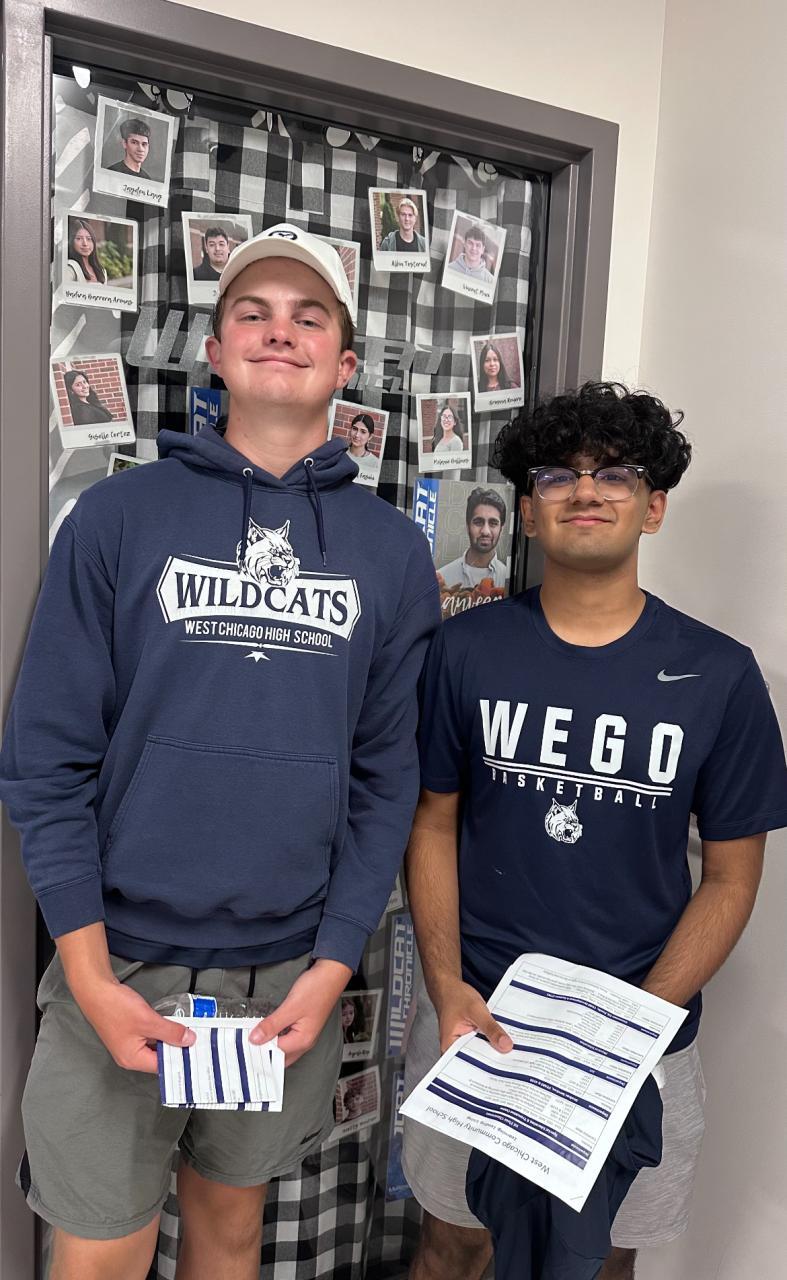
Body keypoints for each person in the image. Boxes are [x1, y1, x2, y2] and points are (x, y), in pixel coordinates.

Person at [0, 222, 440, 1280]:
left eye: (308, 316)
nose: (279, 331)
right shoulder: (115, 517)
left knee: (231, 1228)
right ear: (214, 351)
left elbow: (386, 779)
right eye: (252, 312)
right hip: (119, 959)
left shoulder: (390, 551)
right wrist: (88, 971)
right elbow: (46, 759)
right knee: (98, 1249)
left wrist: (332, 966)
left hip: (286, 973)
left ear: (344, 362)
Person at [402, 382, 787, 1280]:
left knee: (603, 1261)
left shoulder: (719, 676)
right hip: (477, 1019)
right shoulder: (463, 652)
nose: (585, 490)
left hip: (641, 1035)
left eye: (614, 473)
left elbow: (730, 878)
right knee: (452, 1243)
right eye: (558, 475)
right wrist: (446, 984)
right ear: (528, 511)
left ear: (652, 507)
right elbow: (432, 825)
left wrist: (634, 1026)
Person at [437, 486, 507, 589]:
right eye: (478, 522)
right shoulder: (442, 577)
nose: (485, 531)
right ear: (467, 526)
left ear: (501, 529)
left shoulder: (508, 579)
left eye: (493, 523)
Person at [65, 218, 108, 285]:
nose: (85, 243)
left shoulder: (101, 271)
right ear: (71, 241)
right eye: (79, 238)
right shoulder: (69, 267)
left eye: (89, 239)